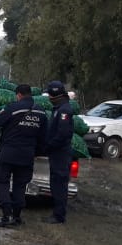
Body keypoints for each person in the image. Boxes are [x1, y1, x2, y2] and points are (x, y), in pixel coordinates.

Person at [0, 83, 46, 227]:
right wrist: (37, 152)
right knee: (20, 185)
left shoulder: (13, 108)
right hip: (27, 155)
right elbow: (44, 135)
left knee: (1, 181)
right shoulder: (41, 112)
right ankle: (16, 217)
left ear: (19, 95)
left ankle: (6, 215)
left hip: (9, 152)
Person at [42, 80, 76, 224]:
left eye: (50, 94)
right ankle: (56, 213)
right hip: (56, 153)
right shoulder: (58, 108)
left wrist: (49, 146)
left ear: (55, 95)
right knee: (55, 183)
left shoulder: (64, 111)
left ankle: (59, 216)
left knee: (60, 185)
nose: (49, 97)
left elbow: (63, 134)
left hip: (60, 154)